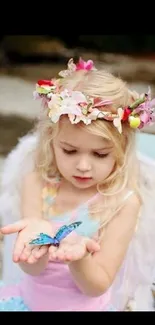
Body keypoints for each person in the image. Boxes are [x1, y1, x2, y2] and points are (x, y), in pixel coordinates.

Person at [0, 57, 155, 311]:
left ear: (122, 149)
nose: (83, 166)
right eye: (70, 151)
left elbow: (98, 285)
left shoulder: (123, 203)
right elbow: (33, 268)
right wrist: (33, 241)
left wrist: (79, 258)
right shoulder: (37, 183)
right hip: (27, 303)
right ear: (52, 141)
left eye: (100, 155)